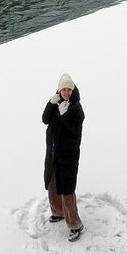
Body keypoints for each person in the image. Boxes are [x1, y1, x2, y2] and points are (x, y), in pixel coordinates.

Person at [42, 73, 85, 240]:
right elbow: (45, 119)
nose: (66, 92)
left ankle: (76, 224)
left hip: (68, 156)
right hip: (53, 154)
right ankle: (58, 212)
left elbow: (75, 130)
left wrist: (65, 115)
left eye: (69, 89)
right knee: (52, 184)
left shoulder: (76, 108)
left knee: (67, 190)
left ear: (73, 90)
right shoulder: (57, 102)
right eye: (63, 89)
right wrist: (51, 104)